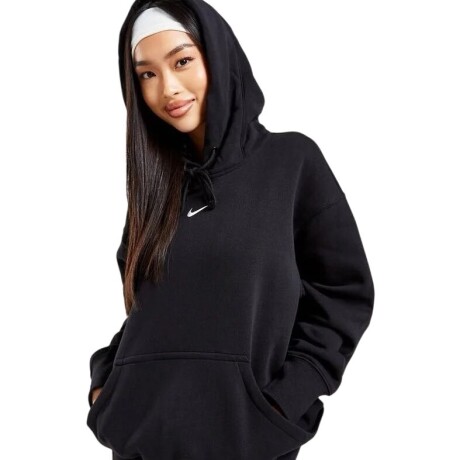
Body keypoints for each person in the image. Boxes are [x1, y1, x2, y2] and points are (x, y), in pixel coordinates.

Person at [86, 1, 375, 459]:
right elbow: (145, 312)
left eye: (182, 61)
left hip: (248, 442)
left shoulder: (291, 163)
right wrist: (107, 385)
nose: (168, 88)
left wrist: (284, 399)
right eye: (147, 74)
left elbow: (342, 295)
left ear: (217, 56)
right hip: (141, 443)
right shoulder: (155, 189)